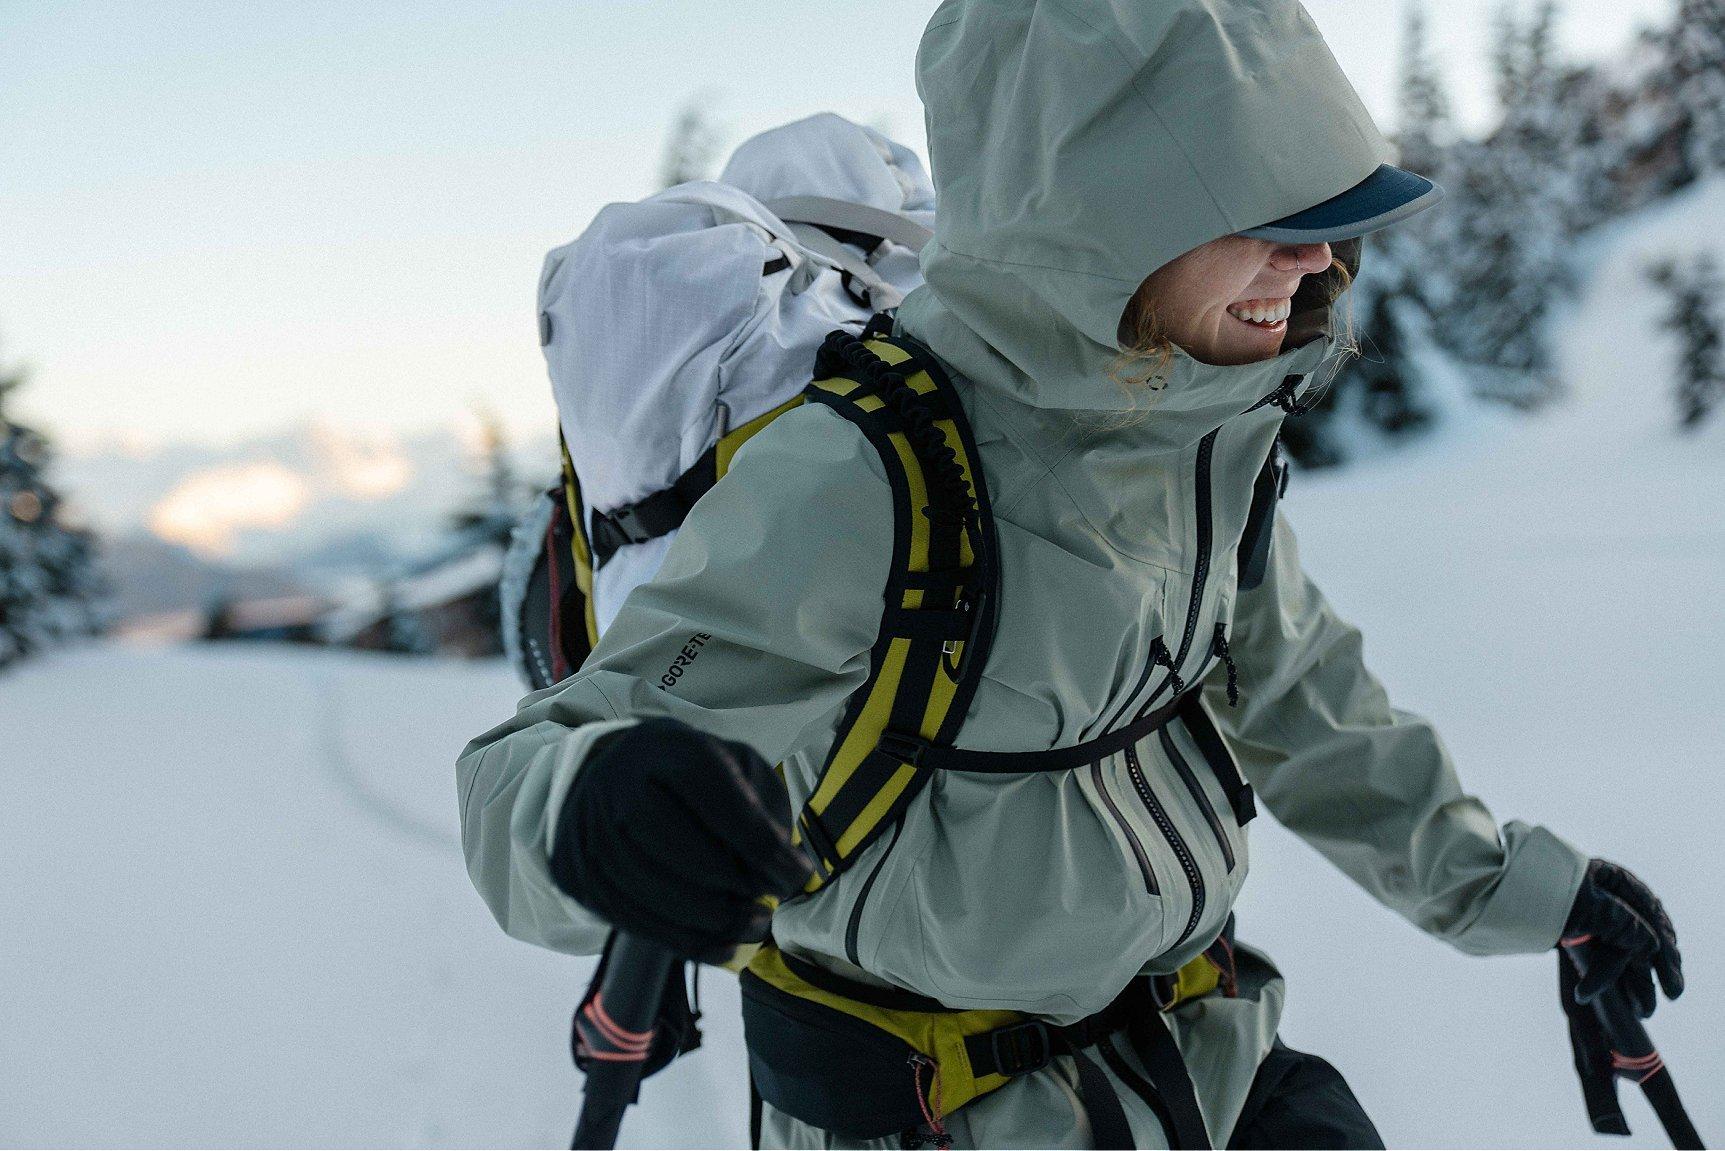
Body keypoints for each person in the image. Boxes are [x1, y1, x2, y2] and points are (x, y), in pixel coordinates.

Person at [457, 1, 1683, 1146]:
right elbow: (538, 768)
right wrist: (593, 805)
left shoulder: (1201, 432)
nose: (1313, 263)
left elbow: (1312, 707)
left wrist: (1531, 893)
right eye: (1264, 218)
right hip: (938, 1107)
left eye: (1326, 220)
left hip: (1205, 1055)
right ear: (1103, 216)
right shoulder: (869, 470)